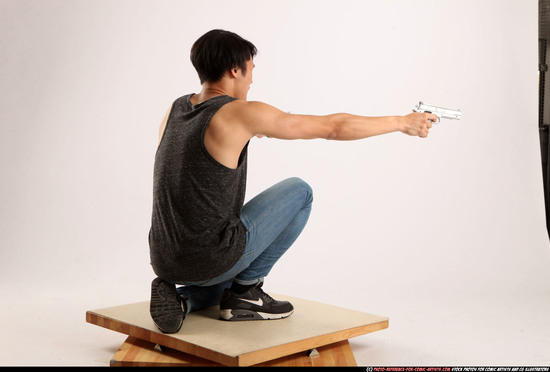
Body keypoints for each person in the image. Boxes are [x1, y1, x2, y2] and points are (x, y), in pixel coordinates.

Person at [148, 29, 436, 334]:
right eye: (250, 71)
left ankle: (184, 299)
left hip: (164, 258)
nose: (251, 80)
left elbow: (185, 173)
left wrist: (248, 127)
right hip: (209, 258)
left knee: (214, 267)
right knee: (300, 192)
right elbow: (333, 128)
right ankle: (246, 291)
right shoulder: (240, 114)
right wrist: (402, 123)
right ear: (235, 70)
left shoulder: (175, 108)